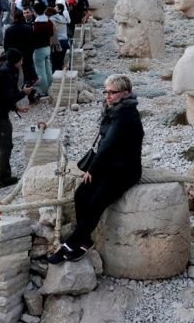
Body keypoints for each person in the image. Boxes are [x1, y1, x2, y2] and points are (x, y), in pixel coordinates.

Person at [48, 74, 143, 263]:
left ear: (126, 93)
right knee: (81, 194)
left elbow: (107, 144)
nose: (107, 96)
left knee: (96, 203)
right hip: (109, 165)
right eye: (106, 91)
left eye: (112, 93)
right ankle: (84, 241)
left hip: (124, 170)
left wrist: (92, 169)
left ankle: (72, 243)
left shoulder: (125, 115)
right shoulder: (114, 109)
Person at [0, 48, 32, 188]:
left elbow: (2, 96)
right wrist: (24, 93)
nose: (22, 63)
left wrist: (16, 108)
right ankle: (2, 178)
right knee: (6, 144)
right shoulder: (7, 74)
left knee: (0, 142)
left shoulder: (5, 70)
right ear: (16, 61)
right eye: (21, 60)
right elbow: (7, 97)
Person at [3, 11, 38, 88]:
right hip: (27, 54)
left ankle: (14, 89)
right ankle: (28, 87)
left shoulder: (9, 30)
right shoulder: (28, 28)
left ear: (14, 18)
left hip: (13, 55)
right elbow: (33, 42)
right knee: (27, 73)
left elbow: (6, 45)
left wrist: (7, 55)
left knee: (13, 74)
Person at [31, 1, 54, 97]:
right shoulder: (48, 22)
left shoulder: (36, 24)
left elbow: (33, 37)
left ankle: (44, 91)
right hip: (47, 47)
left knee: (40, 71)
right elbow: (52, 34)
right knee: (48, 69)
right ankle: (50, 87)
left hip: (39, 49)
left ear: (35, 11)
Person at [48, 6, 70, 72]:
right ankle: (61, 80)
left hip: (57, 44)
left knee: (54, 65)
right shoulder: (63, 18)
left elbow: (52, 34)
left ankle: (55, 81)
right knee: (61, 64)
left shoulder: (51, 20)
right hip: (65, 43)